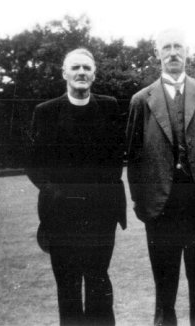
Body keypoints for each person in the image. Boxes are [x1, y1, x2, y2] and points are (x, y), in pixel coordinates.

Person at [126, 28, 195, 326]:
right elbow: (132, 157)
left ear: (187, 52)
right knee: (164, 285)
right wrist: (140, 201)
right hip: (160, 204)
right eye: (166, 47)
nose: (173, 52)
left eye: (178, 47)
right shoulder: (140, 100)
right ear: (157, 53)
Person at [27, 48, 127, 326]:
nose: (81, 72)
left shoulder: (109, 107)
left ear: (94, 74)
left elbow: (115, 158)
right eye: (75, 68)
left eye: (86, 67)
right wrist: (58, 193)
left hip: (101, 215)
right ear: (65, 74)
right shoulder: (45, 112)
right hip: (60, 216)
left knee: (98, 283)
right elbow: (34, 165)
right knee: (68, 288)